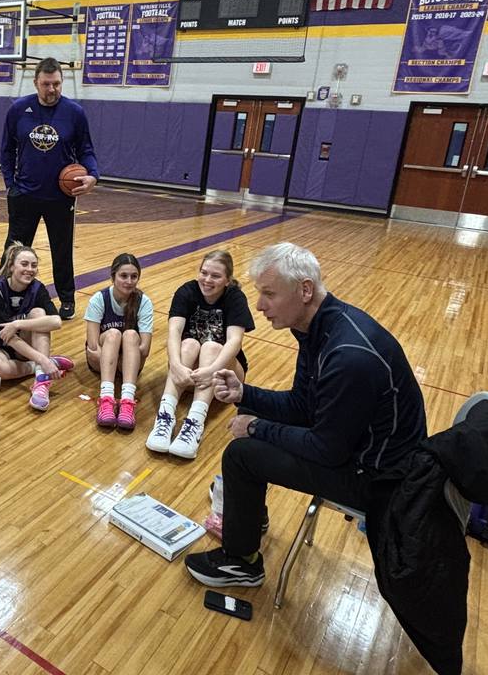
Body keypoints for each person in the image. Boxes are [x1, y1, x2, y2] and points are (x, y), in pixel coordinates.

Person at [183, 243, 427, 588]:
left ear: (305, 290)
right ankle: (250, 520)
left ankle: (241, 563)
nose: (259, 305)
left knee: (242, 454)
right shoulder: (316, 327)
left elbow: (327, 449)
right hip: (357, 448)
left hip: (379, 481)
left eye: (269, 294)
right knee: (251, 408)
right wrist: (244, 394)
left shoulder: (347, 357)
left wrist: (255, 428)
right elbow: (302, 404)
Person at [0, 56, 99, 321]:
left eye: (56, 84)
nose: (52, 89)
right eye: (46, 84)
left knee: (62, 249)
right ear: (36, 82)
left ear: (61, 82)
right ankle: (0, 294)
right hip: (25, 195)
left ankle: (66, 299)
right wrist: (11, 185)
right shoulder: (19, 109)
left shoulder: (75, 113)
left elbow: (86, 150)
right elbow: (7, 150)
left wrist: (93, 176)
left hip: (61, 196)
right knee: (14, 250)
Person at [146, 250, 254, 459]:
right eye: (204, 273)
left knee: (212, 347)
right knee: (188, 344)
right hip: (188, 373)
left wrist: (211, 371)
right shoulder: (186, 291)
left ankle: (194, 423)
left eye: (215, 276)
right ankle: (165, 416)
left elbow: (234, 341)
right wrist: (175, 365)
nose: (207, 280)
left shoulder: (235, 297)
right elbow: (173, 332)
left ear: (227, 280)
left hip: (226, 376)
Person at [0, 243, 74, 413]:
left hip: (24, 342)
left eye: (34, 265)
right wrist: (43, 360)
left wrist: (18, 324)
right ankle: (44, 366)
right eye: (24, 264)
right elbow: (7, 337)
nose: (30, 269)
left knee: (39, 313)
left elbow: (56, 321)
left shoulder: (37, 288)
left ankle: (41, 381)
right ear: (11, 266)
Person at [85, 253, 154, 430]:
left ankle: (127, 401)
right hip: (101, 359)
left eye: (134, 276)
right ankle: (106, 398)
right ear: (112, 276)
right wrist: (112, 359)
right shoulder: (99, 299)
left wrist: (120, 361)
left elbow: (144, 349)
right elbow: (93, 346)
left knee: (130, 335)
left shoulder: (143, 302)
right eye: (123, 276)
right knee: (113, 334)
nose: (129, 281)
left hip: (127, 363)